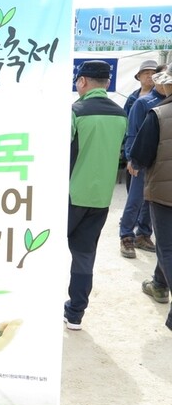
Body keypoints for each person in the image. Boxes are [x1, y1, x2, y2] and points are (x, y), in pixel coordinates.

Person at [65, 60, 127, 330]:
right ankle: (75, 313)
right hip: (101, 198)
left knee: (47, 249)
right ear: (107, 83)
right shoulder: (121, 114)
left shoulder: (76, 112)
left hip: (71, 195)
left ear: (82, 81)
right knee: (84, 254)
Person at [127, 69, 172, 326]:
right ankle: (159, 284)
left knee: (166, 247)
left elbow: (140, 155)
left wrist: (134, 163)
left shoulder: (158, 114)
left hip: (164, 194)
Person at [119, 67, 168, 258]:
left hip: (161, 162)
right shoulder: (143, 102)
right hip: (142, 159)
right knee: (135, 199)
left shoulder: (167, 102)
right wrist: (132, 158)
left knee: (151, 201)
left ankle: (143, 234)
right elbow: (132, 132)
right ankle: (126, 236)